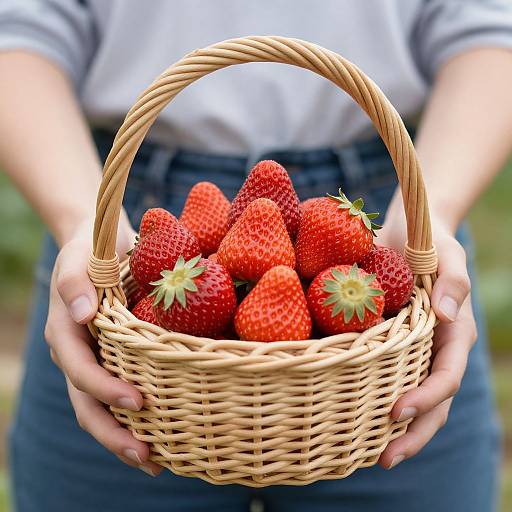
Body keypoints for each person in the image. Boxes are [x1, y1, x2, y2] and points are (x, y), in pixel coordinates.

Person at [1, 1, 512, 511]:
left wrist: (430, 217)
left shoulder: (372, 253)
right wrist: (85, 221)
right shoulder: (149, 255)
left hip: (395, 208)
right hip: (112, 205)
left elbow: (489, 28)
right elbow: (17, 31)